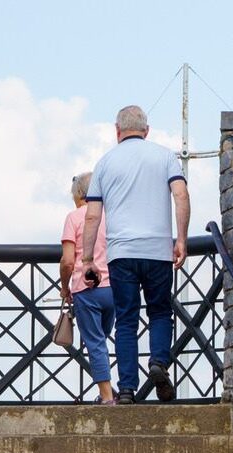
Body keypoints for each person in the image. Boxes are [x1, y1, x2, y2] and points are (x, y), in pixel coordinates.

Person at [80, 104, 190, 403]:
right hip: (157, 250)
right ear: (147, 130)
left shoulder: (104, 163)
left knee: (126, 319)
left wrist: (88, 260)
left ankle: (127, 389)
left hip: (121, 253)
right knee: (160, 311)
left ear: (117, 132)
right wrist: (180, 239)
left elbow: (92, 216)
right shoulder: (165, 156)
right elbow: (180, 195)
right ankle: (158, 362)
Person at [60, 171, 115, 404]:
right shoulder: (111, 215)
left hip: (86, 288)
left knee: (95, 342)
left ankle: (106, 396)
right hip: (114, 287)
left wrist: (65, 288)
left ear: (80, 194)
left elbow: (68, 261)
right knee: (111, 337)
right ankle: (126, 390)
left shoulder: (74, 217)